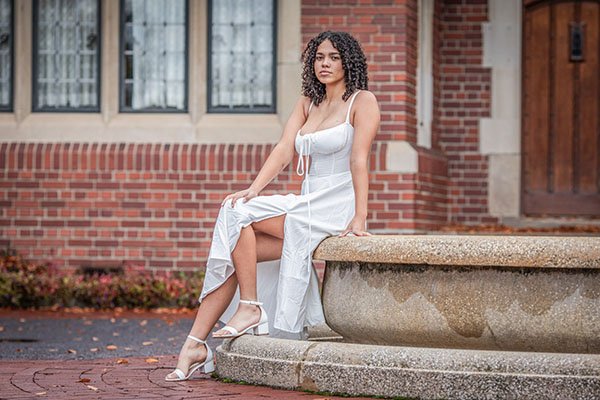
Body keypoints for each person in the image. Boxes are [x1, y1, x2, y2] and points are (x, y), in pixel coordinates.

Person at [165, 31, 380, 382]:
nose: (324, 64)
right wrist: (253, 190)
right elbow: (283, 150)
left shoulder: (362, 102)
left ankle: (249, 308)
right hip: (306, 201)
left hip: (335, 203)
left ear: (348, 62)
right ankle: (195, 342)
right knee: (237, 235)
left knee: (237, 224)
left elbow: (359, 160)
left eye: (334, 58)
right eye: (319, 57)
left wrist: (359, 216)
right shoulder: (308, 102)